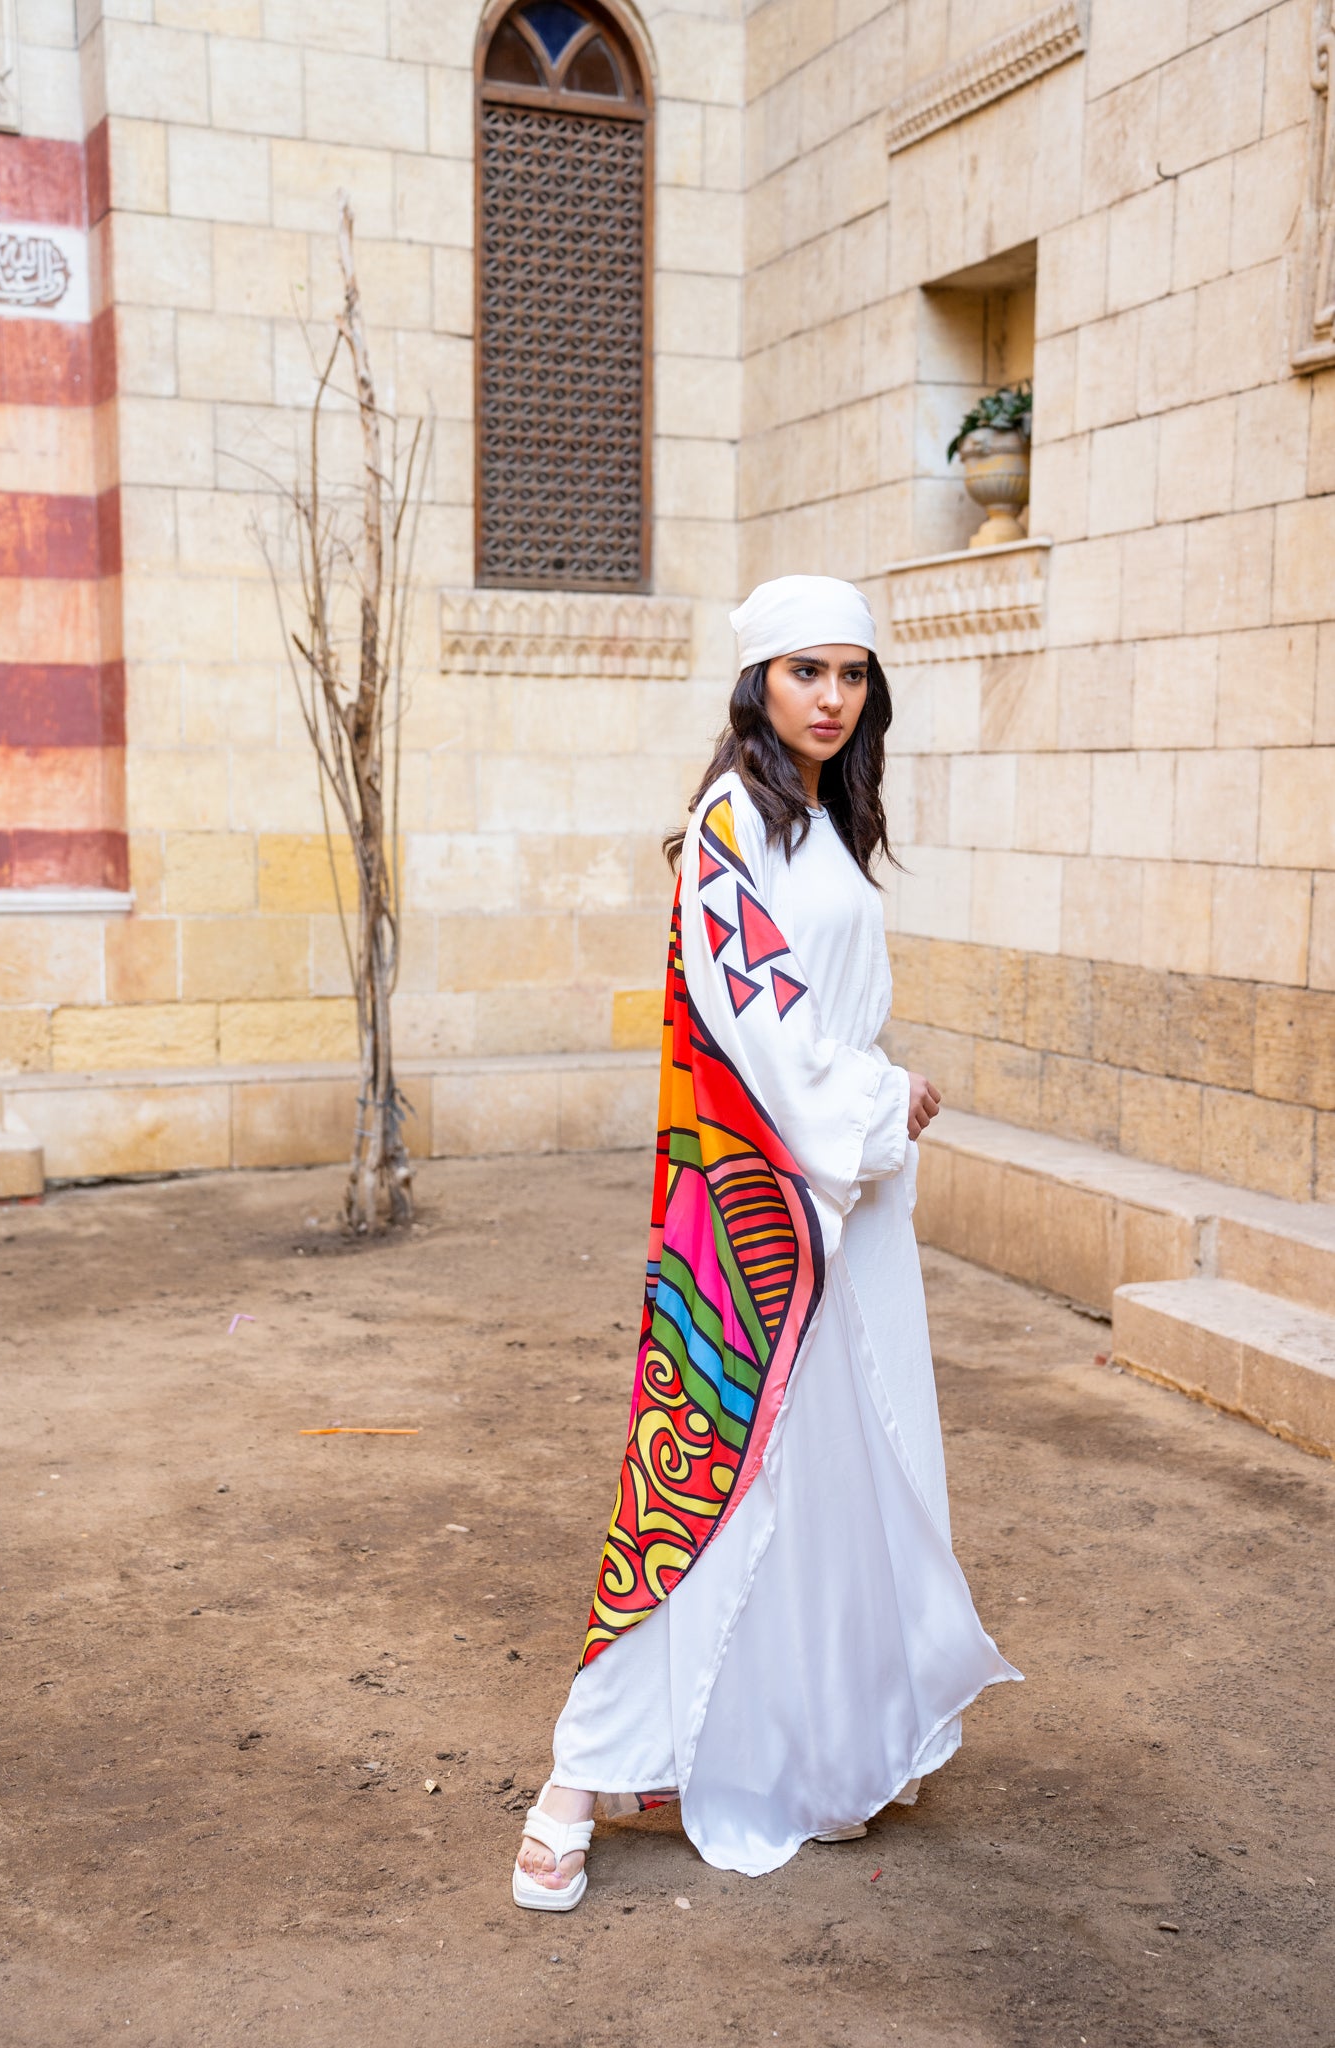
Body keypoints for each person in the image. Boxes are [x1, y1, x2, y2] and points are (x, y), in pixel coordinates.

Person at [512, 575, 1020, 1911]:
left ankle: (788, 1752)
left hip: (848, 1190)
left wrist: (869, 1088)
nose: (831, 698)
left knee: (840, 1464)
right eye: (805, 673)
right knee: (710, 1482)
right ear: (756, 684)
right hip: (758, 1208)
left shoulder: (824, 822)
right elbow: (760, 1035)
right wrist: (873, 1098)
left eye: (850, 676)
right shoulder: (730, 826)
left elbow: (818, 1012)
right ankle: (577, 1777)